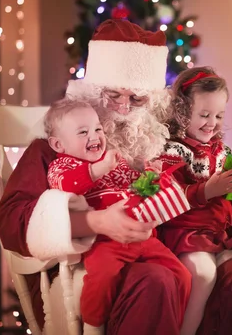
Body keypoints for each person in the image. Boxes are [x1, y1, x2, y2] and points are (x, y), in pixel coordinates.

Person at [0, 18, 232, 334]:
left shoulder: (165, 139)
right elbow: (10, 221)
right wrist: (91, 223)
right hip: (98, 262)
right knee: (156, 279)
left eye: (137, 99)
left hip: (178, 245)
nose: (122, 108)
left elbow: (208, 182)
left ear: (152, 101)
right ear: (90, 92)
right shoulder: (54, 147)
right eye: (113, 95)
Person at [43, 99, 190, 334]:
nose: (95, 136)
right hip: (105, 240)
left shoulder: (115, 160)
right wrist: (98, 169)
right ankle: (93, 325)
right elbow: (65, 186)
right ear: (58, 144)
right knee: (102, 276)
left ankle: (178, 323)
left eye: (98, 129)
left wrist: (149, 177)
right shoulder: (62, 166)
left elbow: (134, 185)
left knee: (181, 274)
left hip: (141, 236)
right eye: (83, 132)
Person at [156, 67, 232, 335]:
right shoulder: (174, 151)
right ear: (183, 113)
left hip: (218, 233)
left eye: (219, 115)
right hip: (185, 233)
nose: (212, 123)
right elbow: (168, 194)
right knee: (203, 274)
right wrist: (207, 190)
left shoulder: (220, 152)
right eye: (205, 115)